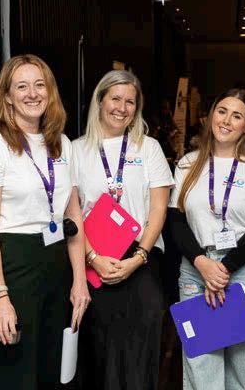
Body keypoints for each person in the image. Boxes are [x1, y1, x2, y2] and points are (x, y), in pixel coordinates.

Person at [0, 54, 90, 389]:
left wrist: (80, 280)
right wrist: (0, 295)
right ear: (7, 96)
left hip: (56, 262)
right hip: (12, 265)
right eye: (22, 87)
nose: (32, 93)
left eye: (39, 85)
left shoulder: (62, 143)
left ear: (50, 91)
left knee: (55, 369)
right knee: (16, 373)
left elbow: (72, 215)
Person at [168, 88, 245, 390]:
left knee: (244, 372)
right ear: (210, 116)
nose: (227, 120)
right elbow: (176, 222)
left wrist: (223, 269)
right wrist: (203, 264)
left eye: (237, 116)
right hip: (196, 270)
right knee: (202, 370)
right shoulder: (187, 164)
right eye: (222, 111)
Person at [73, 70, 174, 390]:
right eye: (115, 98)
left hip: (141, 257)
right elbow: (71, 213)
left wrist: (139, 257)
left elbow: (158, 209)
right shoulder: (75, 150)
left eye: (130, 101)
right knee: (99, 352)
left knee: (140, 352)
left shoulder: (149, 148)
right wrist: (92, 257)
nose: (122, 107)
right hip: (93, 260)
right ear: (100, 101)